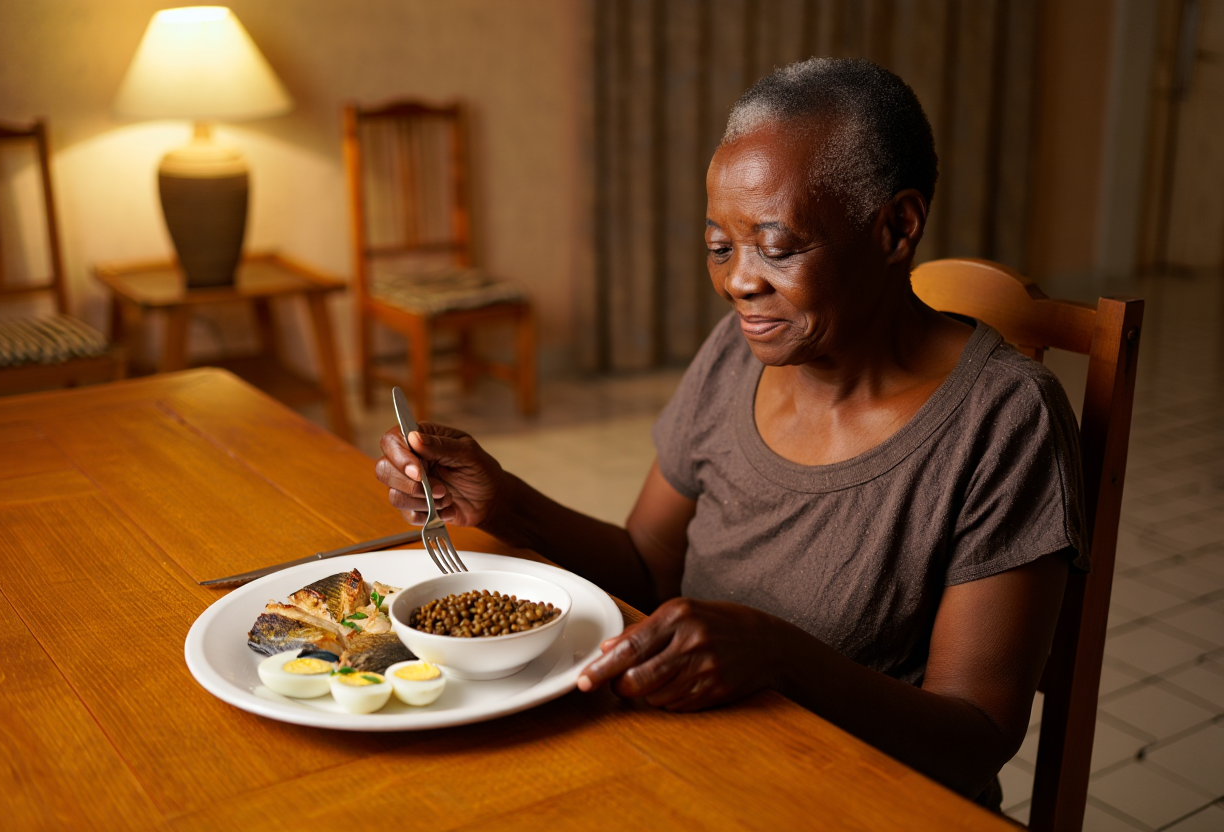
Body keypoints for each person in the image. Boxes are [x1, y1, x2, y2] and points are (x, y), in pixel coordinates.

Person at [375, 58, 1086, 810]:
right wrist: (502, 503)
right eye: (721, 246)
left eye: (777, 247)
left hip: (864, 803)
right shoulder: (735, 354)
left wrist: (778, 657)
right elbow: (647, 568)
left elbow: (973, 739)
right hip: (699, 763)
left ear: (895, 229)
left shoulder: (1004, 420)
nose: (740, 281)